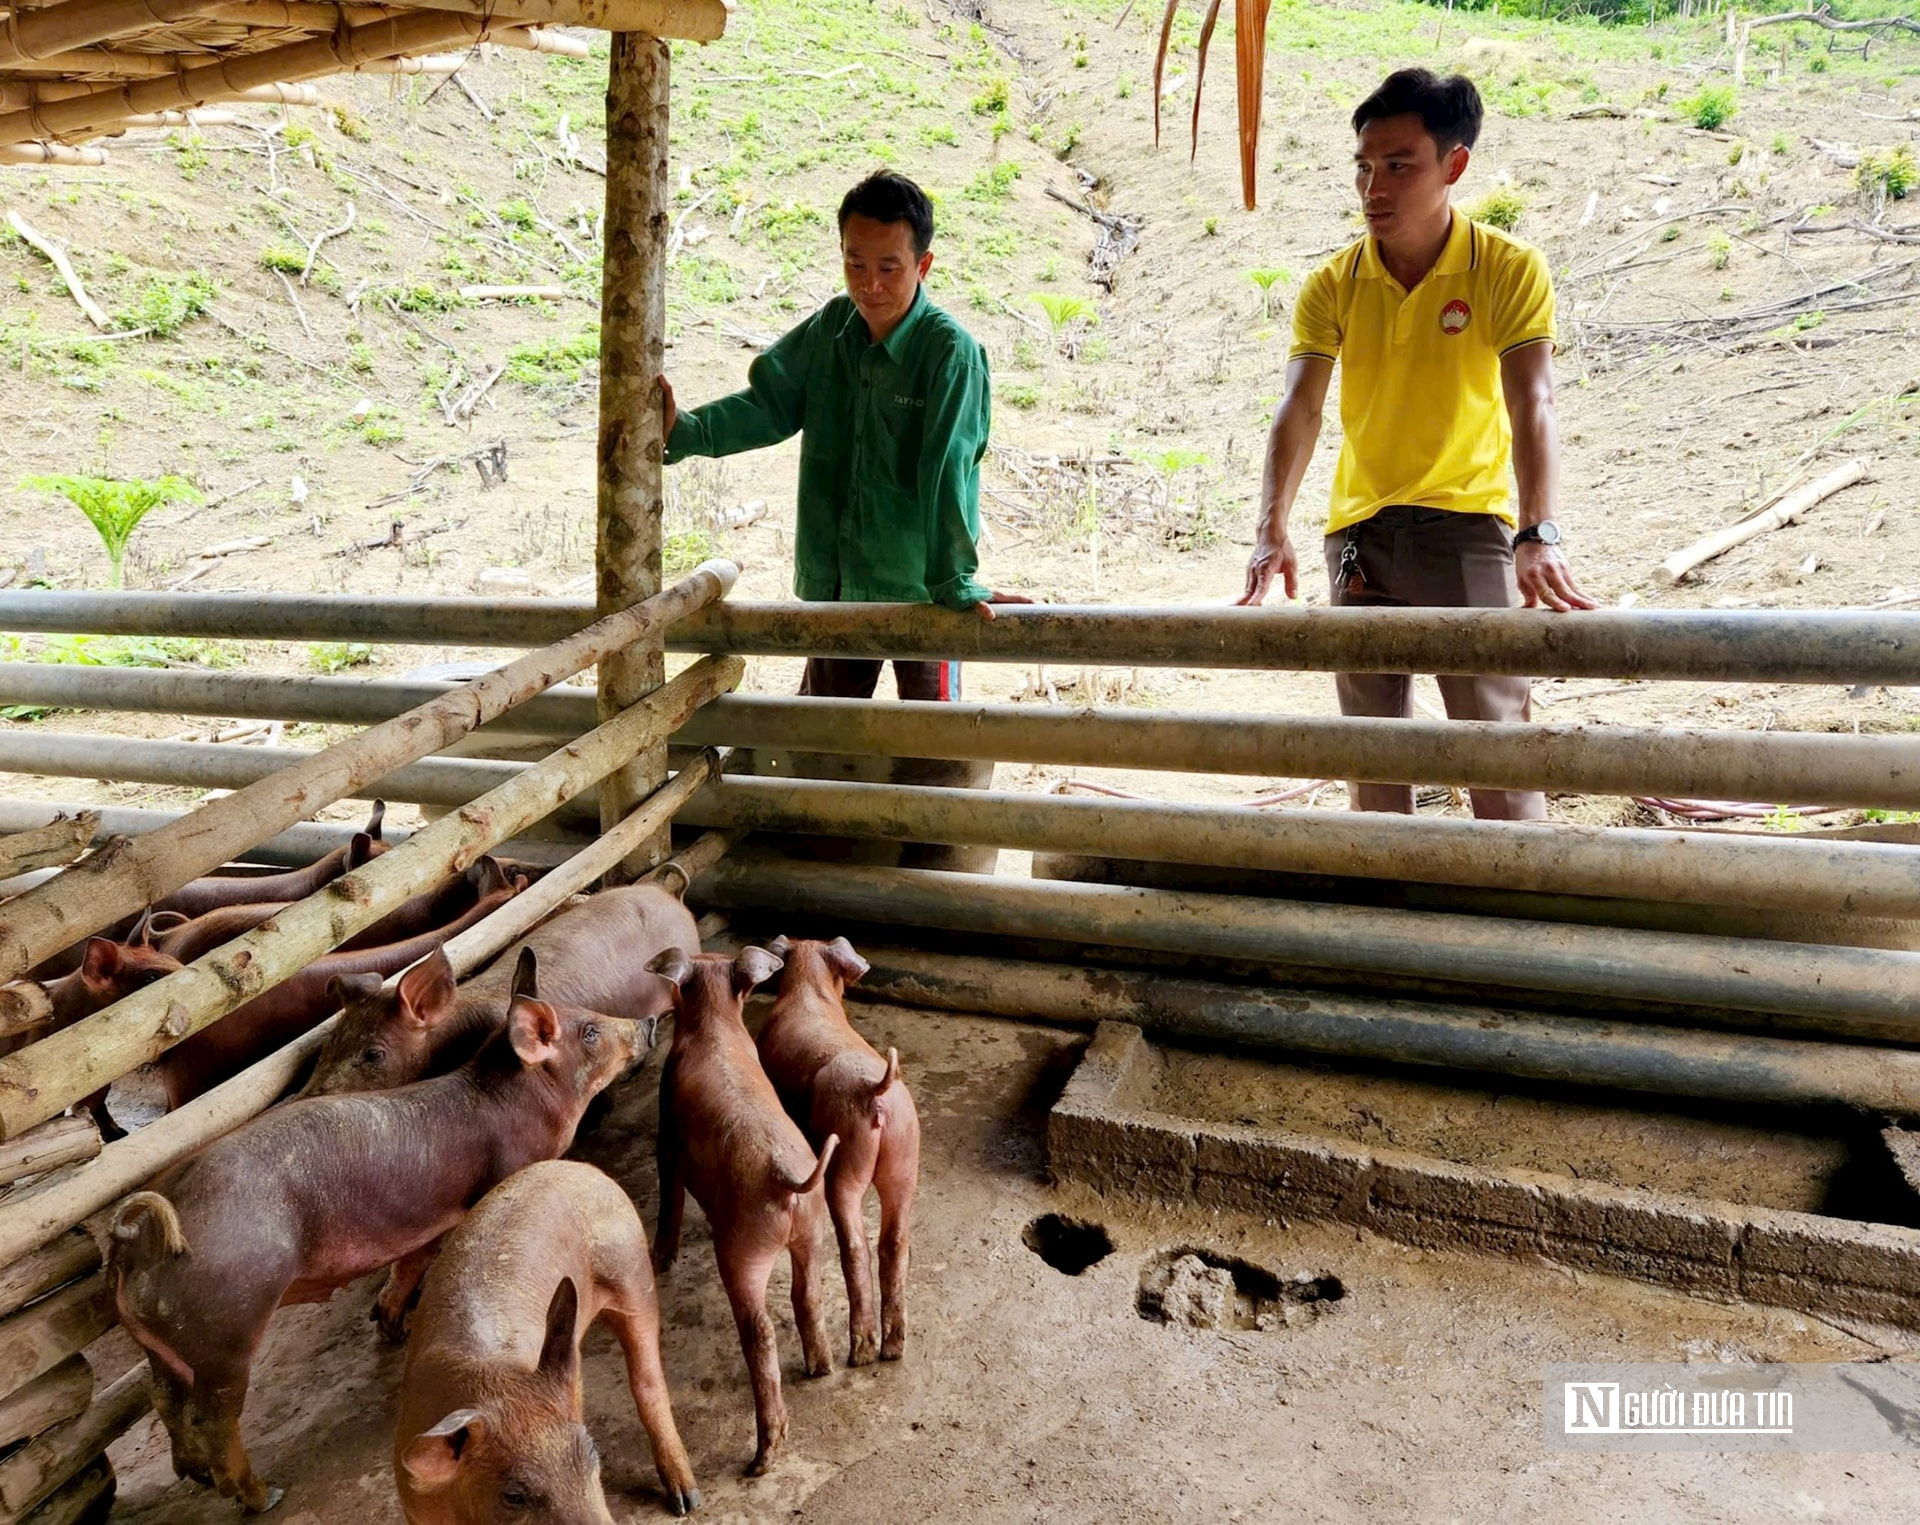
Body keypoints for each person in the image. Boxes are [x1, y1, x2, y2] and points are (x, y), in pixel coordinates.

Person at [1237, 67, 1595, 821]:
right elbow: (1299, 408)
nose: (1375, 186)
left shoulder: (1506, 268)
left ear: (1454, 166)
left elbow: (1533, 399)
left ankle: (1521, 924)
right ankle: (1391, 927)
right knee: (1372, 762)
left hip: (1469, 530)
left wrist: (1538, 530)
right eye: (1364, 166)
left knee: (1494, 752)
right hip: (1358, 538)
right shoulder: (1333, 283)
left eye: (1399, 165)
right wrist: (1271, 525)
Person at [660, 169, 1028, 705]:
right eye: (855, 263)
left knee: (935, 749)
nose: (869, 284)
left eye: (888, 267)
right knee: (823, 738)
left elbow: (947, 468)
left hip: (922, 590)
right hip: (834, 581)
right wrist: (686, 431)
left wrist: (956, 582)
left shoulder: (950, 353)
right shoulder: (832, 326)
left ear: (922, 266)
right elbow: (769, 406)